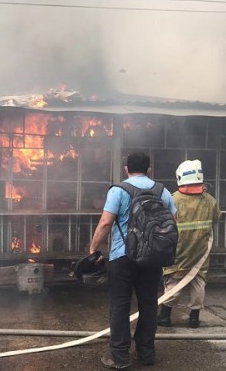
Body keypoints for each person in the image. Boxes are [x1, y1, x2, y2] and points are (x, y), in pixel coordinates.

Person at [89, 151, 177, 369]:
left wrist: (93, 249)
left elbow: (105, 224)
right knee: (148, 304)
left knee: (120, 306)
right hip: (152, 258)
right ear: (149, 170)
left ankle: (119, 357)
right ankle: (146, 354)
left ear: (126, 169)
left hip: (122, 257)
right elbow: (172, 223)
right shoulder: (163, 191)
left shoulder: (119, 190)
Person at [157, 159, 221, 329]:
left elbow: (163, 223)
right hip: (200, 252)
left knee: (173, 283)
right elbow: (216, 219)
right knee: (198, 283)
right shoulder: (210, 201)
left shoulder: (173, 199)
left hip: (178, 251)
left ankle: (165, 317)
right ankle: (194, 318)